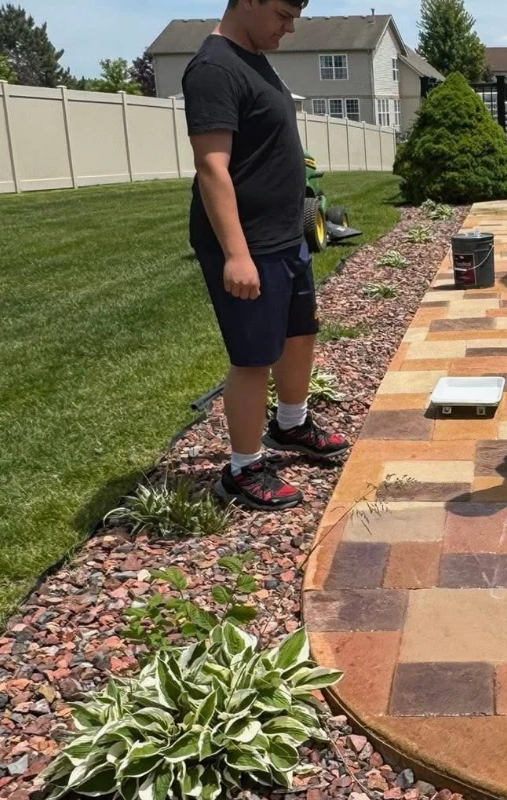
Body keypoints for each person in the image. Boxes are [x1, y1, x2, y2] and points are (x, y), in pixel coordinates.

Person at [183, 0, 349, 511]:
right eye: (282, 13)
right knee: (254, 357)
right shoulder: (214, 68)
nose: (289, 26)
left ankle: (291, 425)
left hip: (285, 237)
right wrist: (236, 254)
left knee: (299, 335)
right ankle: (243, 468)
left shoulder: (254, 57)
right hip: (248, 244)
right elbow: (213, 168)